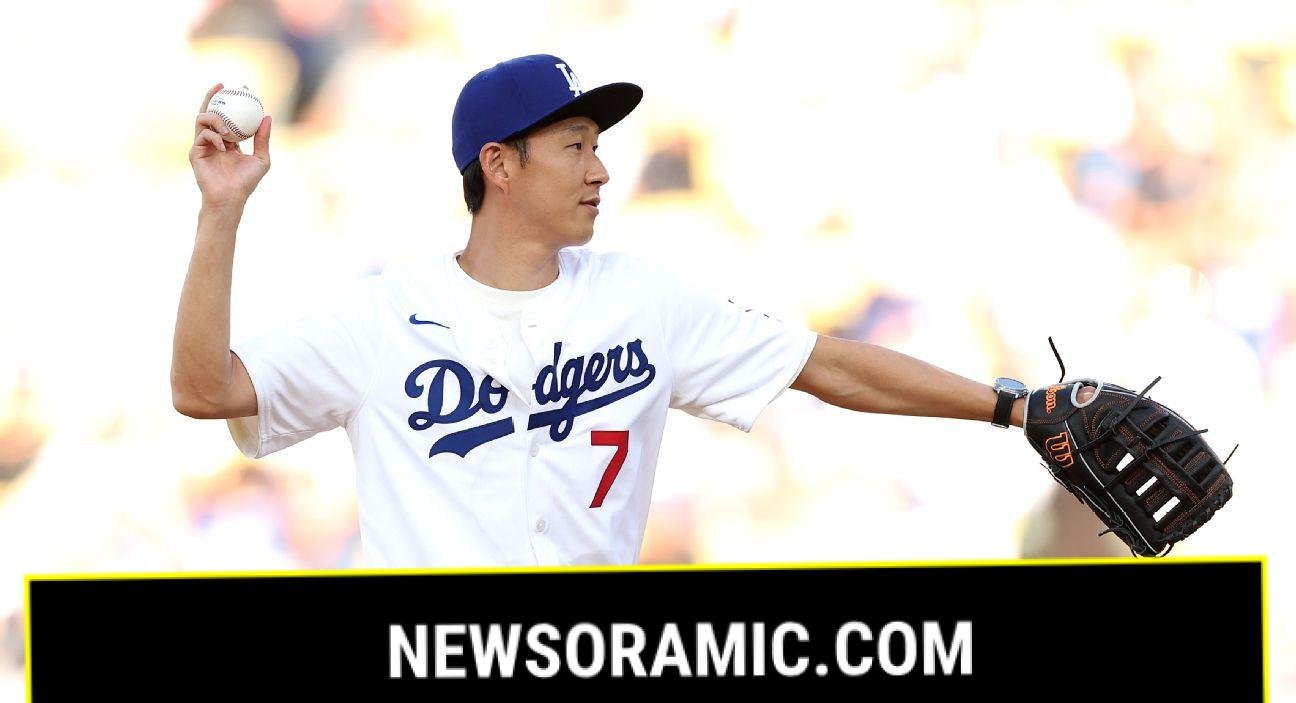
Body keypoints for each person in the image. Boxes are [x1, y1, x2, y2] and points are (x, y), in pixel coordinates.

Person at [173, 54, 1093, 567]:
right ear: (499, 165)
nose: (602, 169)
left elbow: (828, 365)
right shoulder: (383, 314)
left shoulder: (643, 299)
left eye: (598, 145)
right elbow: (205, 389)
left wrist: (1013, 406)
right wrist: (222, 212)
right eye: (574, 145)